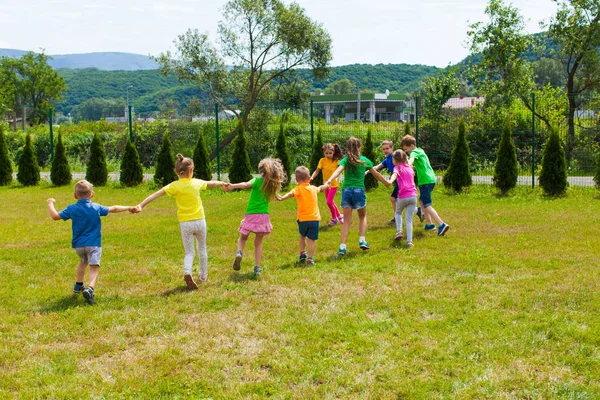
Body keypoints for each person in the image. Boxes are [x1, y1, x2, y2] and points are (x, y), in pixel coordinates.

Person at [134, 154, 227, 289]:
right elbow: (211, 183)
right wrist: (223, 184)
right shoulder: (196, 182)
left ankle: (187, 271)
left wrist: (141, 205)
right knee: (202, 249)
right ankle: (203, 277)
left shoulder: (175, 186)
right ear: (191, 170)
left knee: (189, 252)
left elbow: (156, 194)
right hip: (200, 221)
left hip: (185, 224)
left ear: (178, 172)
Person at [46, 180, 135, 305]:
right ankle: (90, 289)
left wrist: (50, 204)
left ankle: (78, 285)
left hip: (78, 245)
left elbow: (55, 216)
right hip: (93, 244)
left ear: (75, 196)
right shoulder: (96, 207)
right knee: (94, 267)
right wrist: (129, 208)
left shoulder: (72, 208)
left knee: (83, 262)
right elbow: (113, 208)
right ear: (92, 195)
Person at [324, 136, 389, 255]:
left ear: (348, 148)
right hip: (359, 191)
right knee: (362, 216)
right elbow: (377, 175)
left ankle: (342, 247)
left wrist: (329, 180)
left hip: (347, 191)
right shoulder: (364, 160)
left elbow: (338, 171)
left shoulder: (345, 160)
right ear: (359, 147)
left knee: (347, 220)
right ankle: (362, 240)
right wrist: (387, 183)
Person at [224, 158, 285, 276]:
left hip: (251, 214)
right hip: (263, 217)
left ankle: (239, 252)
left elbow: (245, 184)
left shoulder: (257, 181)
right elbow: (273, 197)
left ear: (261, 170)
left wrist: (232, 186)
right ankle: (257, 268)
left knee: (243, 238)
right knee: (258, 243)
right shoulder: (271, 185)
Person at [277, 166, 328, 265]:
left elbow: (291, 193)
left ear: (296, 180)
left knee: (302, 236)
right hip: (314, 219)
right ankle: (310, 258)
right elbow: (320, 188)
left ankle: (302, 253)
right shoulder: (313, 189)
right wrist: (325, 185)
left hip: (303, 219)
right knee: (311, 239)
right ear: (309, 178)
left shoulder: (298, 189)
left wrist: (282, 198)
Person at [401, 135, 450, 236]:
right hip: (430, 179)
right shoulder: (420, 151)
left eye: (406, 149)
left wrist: (407, 165)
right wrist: (414, 168)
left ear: (411, 146)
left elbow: (412, 160)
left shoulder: (413, 152)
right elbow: (421, 165)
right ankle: (429, 224)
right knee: (422, 202)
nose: (405, 151)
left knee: (427, 205)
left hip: (425, 181)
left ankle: (441, 224)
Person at [371, 139, 423, 224]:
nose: (385, 150)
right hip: (398, 182)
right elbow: (378, 167)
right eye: (383, 149)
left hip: (402, 182)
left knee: (398, 199)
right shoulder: (387, 159)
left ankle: (403, 215)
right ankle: (416, 211)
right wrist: (369, 170)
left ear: (392, 148)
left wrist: (410, 168)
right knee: (396, 199)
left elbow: (406, 163)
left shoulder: (395, 156)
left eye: (387, 148)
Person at [385, 150, 418, 248]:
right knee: (409, 220)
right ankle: (409, 242)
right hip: (413, 196)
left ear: (395, 160)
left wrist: (390, 181)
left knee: (398, 213)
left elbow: (394, 175)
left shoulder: (397, 167)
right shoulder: (410, 168)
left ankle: (399, 231)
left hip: (403, 196)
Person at [310, 143, 343, 227]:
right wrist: (312, 178)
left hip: (333, 185)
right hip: (325, 185)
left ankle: (334, 218)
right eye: (326, 153)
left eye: (330, 153)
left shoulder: (337, 161)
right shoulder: (322, 160)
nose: (328, 155)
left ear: (334, 152)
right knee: (331, 202)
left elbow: (340, 171)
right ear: (324, 153)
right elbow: (317, 170)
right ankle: (339, 215)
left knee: (328, 202)